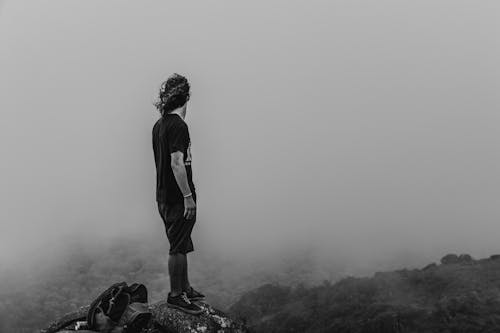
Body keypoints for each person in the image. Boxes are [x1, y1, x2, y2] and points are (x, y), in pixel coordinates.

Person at [152, 73, 205, 315]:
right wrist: (188, 196)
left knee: (182, 242)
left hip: (163, 196)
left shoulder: (159, 125)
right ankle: (176, 295)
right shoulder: (178, 126)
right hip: (176, 197)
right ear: (186, 98)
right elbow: (176, 162)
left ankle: (185, 287)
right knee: (177, 247)